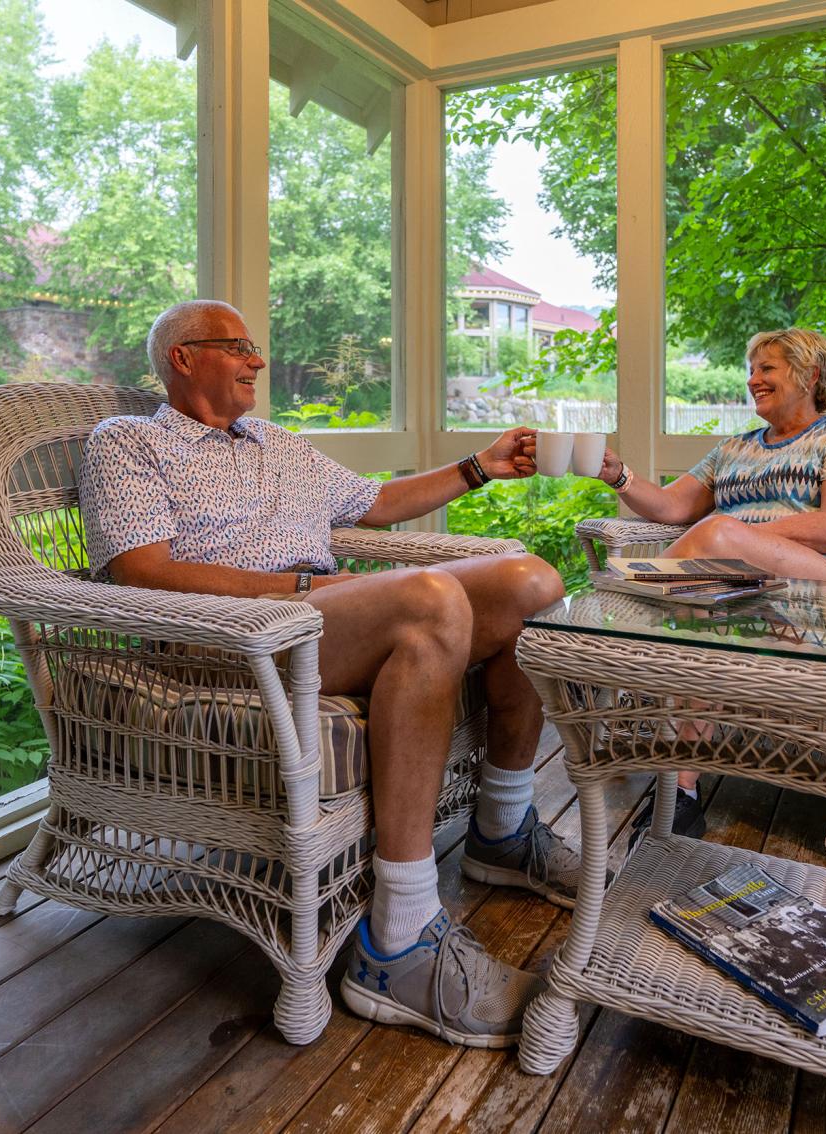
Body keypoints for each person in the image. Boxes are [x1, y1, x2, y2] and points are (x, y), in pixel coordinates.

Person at [78, 299, 570, 1050]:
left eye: (255, 346)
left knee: (531, 580)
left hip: (318, 617)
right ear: (183, 358)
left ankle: (501, 832)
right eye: (237, 346)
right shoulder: (130, 442)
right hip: (233, 639)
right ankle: (397, 941)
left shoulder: (277, 443)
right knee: (430, 600)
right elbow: (142, 568)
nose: (257, 360)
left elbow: (374, 504)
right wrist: (303, 591)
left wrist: (481, 467)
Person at [594, 327, 826, 839]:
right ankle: (680, 795)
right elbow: (671, 506)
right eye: (751, 371)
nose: (753, 380)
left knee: (711, 534)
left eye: (767, 369)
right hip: (750, 587)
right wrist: (618, 474)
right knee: (699, 622)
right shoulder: (733, 448)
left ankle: (608, 638)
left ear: (810, 374)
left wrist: (732, 535)